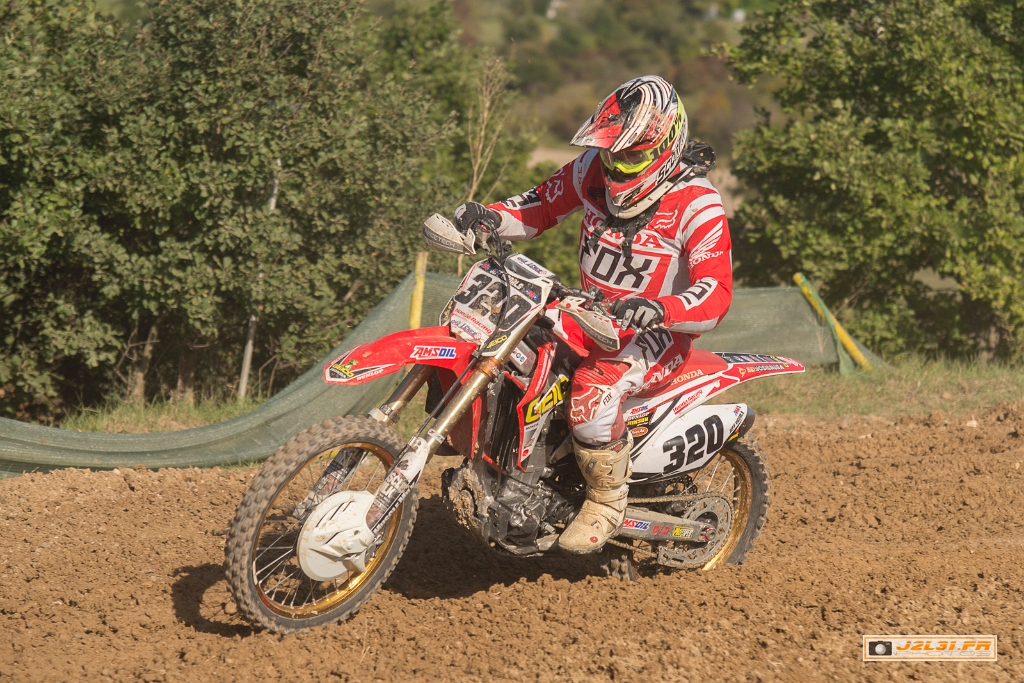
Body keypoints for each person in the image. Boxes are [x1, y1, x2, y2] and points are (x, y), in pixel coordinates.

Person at [451, 75, 733, 554]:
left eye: (631, 157)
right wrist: (490, 217)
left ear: (665, 145)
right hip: (590, 313)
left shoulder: (697, 204)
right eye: (610, 153)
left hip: (657, 334)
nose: (617, 165)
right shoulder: (590, 170)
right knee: (513, 347)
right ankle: (515, 466)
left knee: (590, 390)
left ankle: (607, 500)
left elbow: (716, 294)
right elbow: (540, 206)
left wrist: (659, 308)